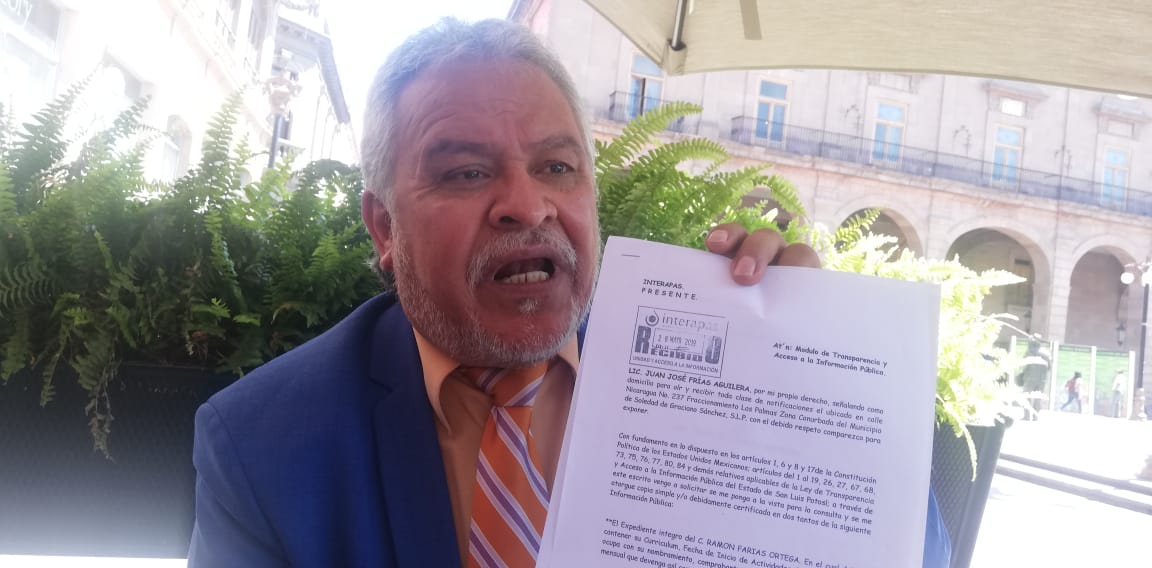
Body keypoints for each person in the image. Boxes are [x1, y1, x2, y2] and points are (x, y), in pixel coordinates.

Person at [187, 18, 950, 568]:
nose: (528, 205)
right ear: (384, 228)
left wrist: (814, 393)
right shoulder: (262, 448)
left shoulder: (707, 375)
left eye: (557, 167)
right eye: (466, 172)